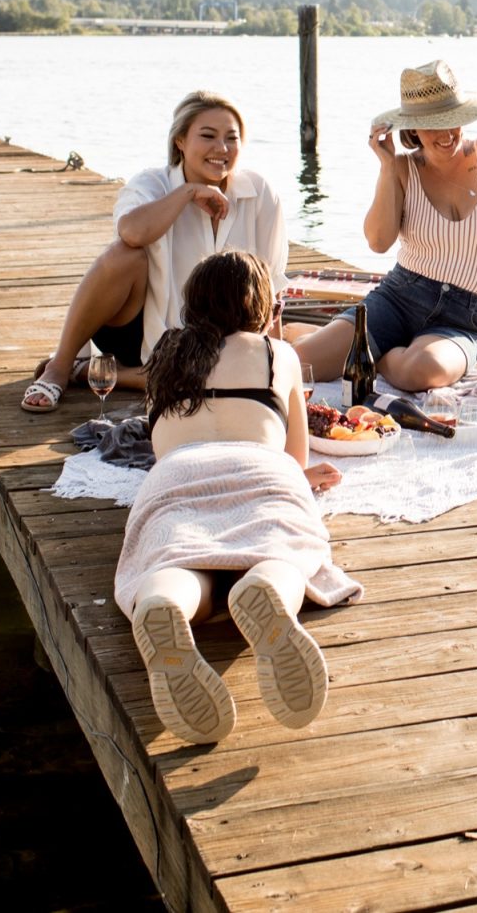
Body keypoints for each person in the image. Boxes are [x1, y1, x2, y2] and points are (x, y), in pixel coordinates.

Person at [114, 250, 358, 744]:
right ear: (264, 308)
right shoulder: (277, 354)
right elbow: (293, 454)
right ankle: (268, 588)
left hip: (176, 477)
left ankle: (165, 600)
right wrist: (303, 480)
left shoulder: (167, 352)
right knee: (283, 550)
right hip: (260, 468)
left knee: (180, 558)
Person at [21, 91, 288, 412]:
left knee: (223, 379)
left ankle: (113, 375)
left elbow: (271, 287)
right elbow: (132, 233)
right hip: (144, 332)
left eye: (232, 138)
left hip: (223, 341)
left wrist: (271, 361)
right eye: (208, 136)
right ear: (180, 141)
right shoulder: (151, 184)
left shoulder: (259, 194)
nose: (222, 148)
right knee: (124, 254)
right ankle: (60, 366)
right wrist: (187, 192)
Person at [294, 60, 477, 393]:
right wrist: (386, 166)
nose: (446, 133)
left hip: (464, 320)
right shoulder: (401, 168)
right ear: (412, 127)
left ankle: (374, 356)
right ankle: (364, 343)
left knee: (419, 373)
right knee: (299, 363)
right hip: (398, 299)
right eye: (432, 123)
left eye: (452, 119)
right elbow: (378, 241)